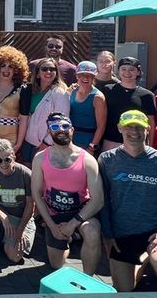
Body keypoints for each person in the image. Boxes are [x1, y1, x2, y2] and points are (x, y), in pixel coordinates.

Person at [99, 110, 157, 292]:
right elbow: (104, 199)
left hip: (155, 234)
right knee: (125, 291)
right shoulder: (106, 160)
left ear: (148, 129)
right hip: (122, 235)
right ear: (119, 128)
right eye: (129, 126)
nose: (134, 131)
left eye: (140, 127)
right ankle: (144, 260)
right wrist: (107, 234)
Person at [32, 113, 103, 274]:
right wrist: (51, 225)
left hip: (81, 213)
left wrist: (73, 224)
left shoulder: (87, 160)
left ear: (72, 130)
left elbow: (98, 200)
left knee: (92, 232)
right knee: (56, 264)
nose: (60, 130)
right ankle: (67, 240)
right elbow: (37, 194)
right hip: (54, 214)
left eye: (65, 126)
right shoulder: (40, 158)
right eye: (55, 127)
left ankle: (88, 279)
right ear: (49, 132)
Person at [0, 138, 35, 263]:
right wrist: (4, 217)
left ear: (13, 156)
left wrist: (20, 230)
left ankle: (8, 237)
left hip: (20, 217)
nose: (3, 164)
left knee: (14, 257)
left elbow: (30, 206)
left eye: (7, 159)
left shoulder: (26, 174)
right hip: (1, 214)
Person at [0, 46, 31, 165]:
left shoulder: (23, 89)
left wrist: (18, 144)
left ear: (17, 69)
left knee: (6, 172)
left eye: (11, 66)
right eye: (3, 65)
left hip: (10, 140)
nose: (6, 69)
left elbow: (24, 119)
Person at [101, 56, 156, 150]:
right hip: (110, 141)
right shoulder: (107, 90)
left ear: (138, 72)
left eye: (131, 69)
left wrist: (150, 145)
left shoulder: (147, 95)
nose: (127, 72)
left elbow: (151, 122)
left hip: (137, 142)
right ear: (118, 71)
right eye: (123, 69)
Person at [23, 57, 70, 161]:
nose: (48, 71)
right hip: (27, 141)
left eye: (52, 69)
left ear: (56, 73)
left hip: (45, 145)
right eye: (44, 69)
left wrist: (47, 143)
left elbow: (61, 122)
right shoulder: (31, 92)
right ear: (38, 74)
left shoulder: (60, 93)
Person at [68, 61, 106, 155]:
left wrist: (92, 147)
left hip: (87, 141)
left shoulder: (98, 97)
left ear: (94, 77)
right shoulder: (71, 91)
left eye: (89, 75)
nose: (85, 78)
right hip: (70, 140)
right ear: (77, 76)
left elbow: (101, 126)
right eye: (82, 75)